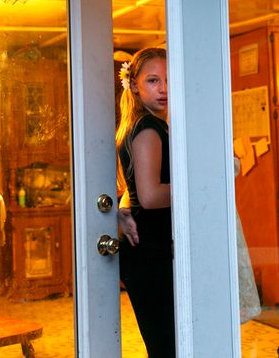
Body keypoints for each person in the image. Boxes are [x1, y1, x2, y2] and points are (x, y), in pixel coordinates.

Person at [115, 47, 174, 357]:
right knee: (167, 348)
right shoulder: (148, 128)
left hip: (149, 249)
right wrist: (200, 188)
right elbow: (150, 196)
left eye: (168, 79)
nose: (163, 88)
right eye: (153, 80)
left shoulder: (145, 123)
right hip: (151, 252)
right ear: (135, 85)